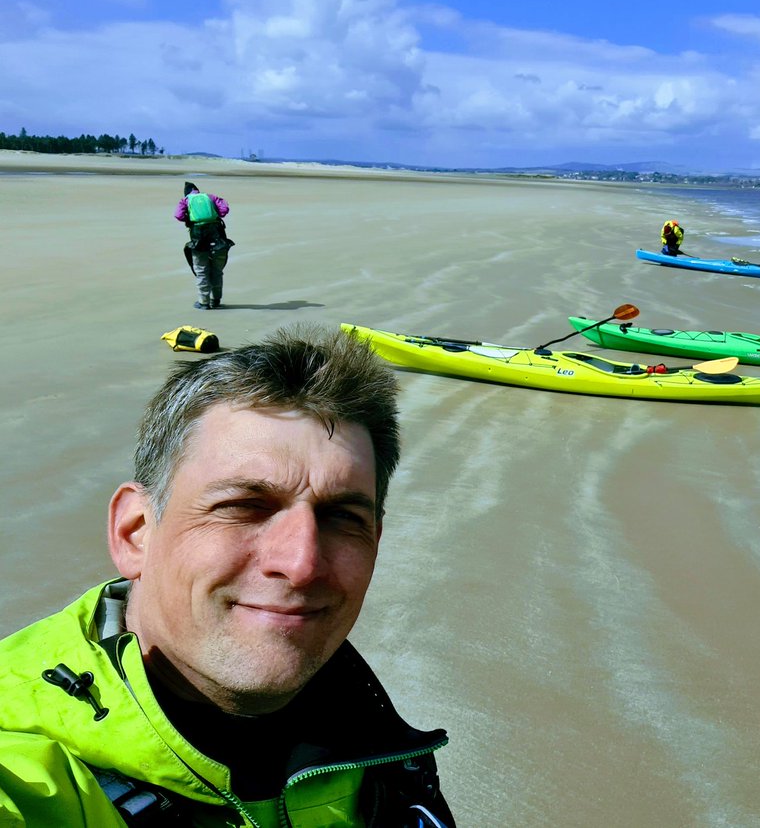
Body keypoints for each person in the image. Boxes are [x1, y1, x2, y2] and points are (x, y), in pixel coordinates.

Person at [0, 324, 456, 827]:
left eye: (343, 517)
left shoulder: (380, 747)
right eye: (243, 506)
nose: (301, 563)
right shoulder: (20, 763)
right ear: (134, 533)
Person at [175, 180, 233, 310]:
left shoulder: (185, 200)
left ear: (186, 193)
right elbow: (224, 210)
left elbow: (178, 215)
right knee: (217, 270)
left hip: (198, 238)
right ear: (197, 190)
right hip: (218, 236)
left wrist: (188, 218)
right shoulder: (210, 197)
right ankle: (215, 300)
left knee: (201, 270)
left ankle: (203, 302)